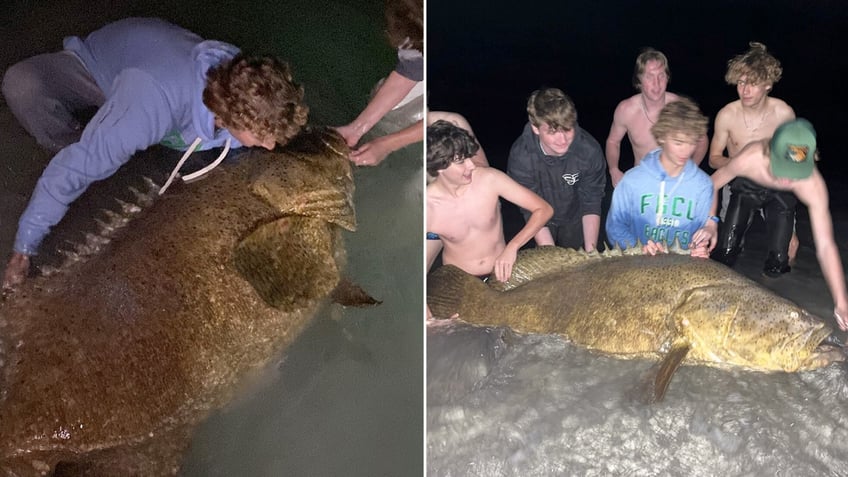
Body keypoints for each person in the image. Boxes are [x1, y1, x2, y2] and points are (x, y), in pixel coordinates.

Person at [1, 17, 308, 290]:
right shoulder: (151, 101)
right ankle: (86, 138)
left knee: (234, 165)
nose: (270, 145)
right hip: (101, 69)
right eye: (263, 138)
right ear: (230, 118)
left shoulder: (246, 82)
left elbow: (270, 127)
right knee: (22, 85)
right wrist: (24, 247)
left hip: (167, 94)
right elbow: (73, 170)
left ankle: (123, 140)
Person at [709, 118, 848, 331]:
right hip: (747, 187)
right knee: (725, 251)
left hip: (780, 199)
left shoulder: (812, 184)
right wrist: (709, 221)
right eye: (782, 166)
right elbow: (709, 186)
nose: (785, 177)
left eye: (794, 171)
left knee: (779, 262)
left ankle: (764, 301)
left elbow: (826, 245)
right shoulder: (750, 157)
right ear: (769, 151)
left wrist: (841, 303)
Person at [426, 120, 552, 295]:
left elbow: (544, 209)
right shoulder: (427, 207)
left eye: (469, 157)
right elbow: (412, 268)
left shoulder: (490, 180)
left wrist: (513, 247)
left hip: (503, 274)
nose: (471, 165)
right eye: (461, 161)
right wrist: (428, 314)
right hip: (459, 283)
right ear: (439, 166)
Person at [708, 42, 799, 276]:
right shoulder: (727, 115)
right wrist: (742, 165)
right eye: (740, 82)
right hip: (739, 184)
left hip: (775, 185)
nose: (744, 90)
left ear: (768, 84)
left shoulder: (784, 113)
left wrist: (793, 229)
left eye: (752, 83)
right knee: (725, 254)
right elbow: (714, 159)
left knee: (782, 259)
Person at [606, 98, 716, 257]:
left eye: (691, 143)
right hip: (637, 266)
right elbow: (615, 227)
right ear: (662, 137)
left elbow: (701, 233)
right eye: (678, 142)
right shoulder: (632, 181)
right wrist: (637, 247)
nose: (686, 151)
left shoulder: (703, 185)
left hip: (682, 269)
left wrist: (700, 248)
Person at [506, 87, 606, 251]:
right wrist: (552, 256)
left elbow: (591, 201)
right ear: (536, 128)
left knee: (581, 262)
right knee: (551, 263)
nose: (562, 139)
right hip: (539, 218)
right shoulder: (521, 156)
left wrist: (591, 253)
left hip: (575, 217)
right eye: (552, 132)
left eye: (567, 129)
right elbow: (530, 208)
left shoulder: (589, 150)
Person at [336, 0, 424, 167]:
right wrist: (357, 128)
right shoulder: (410, 16)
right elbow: (411, 69)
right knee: (393, 113)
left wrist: (388, 144)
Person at [606, 48, 708, 188]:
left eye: (661, 76)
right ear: (639, 80)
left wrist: (691, 169)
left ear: (667, 78)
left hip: (675, 182)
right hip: (642, 181)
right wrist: (614, 169)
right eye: (649, 76)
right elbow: (613, 141)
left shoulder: (680, 108)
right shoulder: (626, 110)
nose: (656, 83)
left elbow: (702, 140)